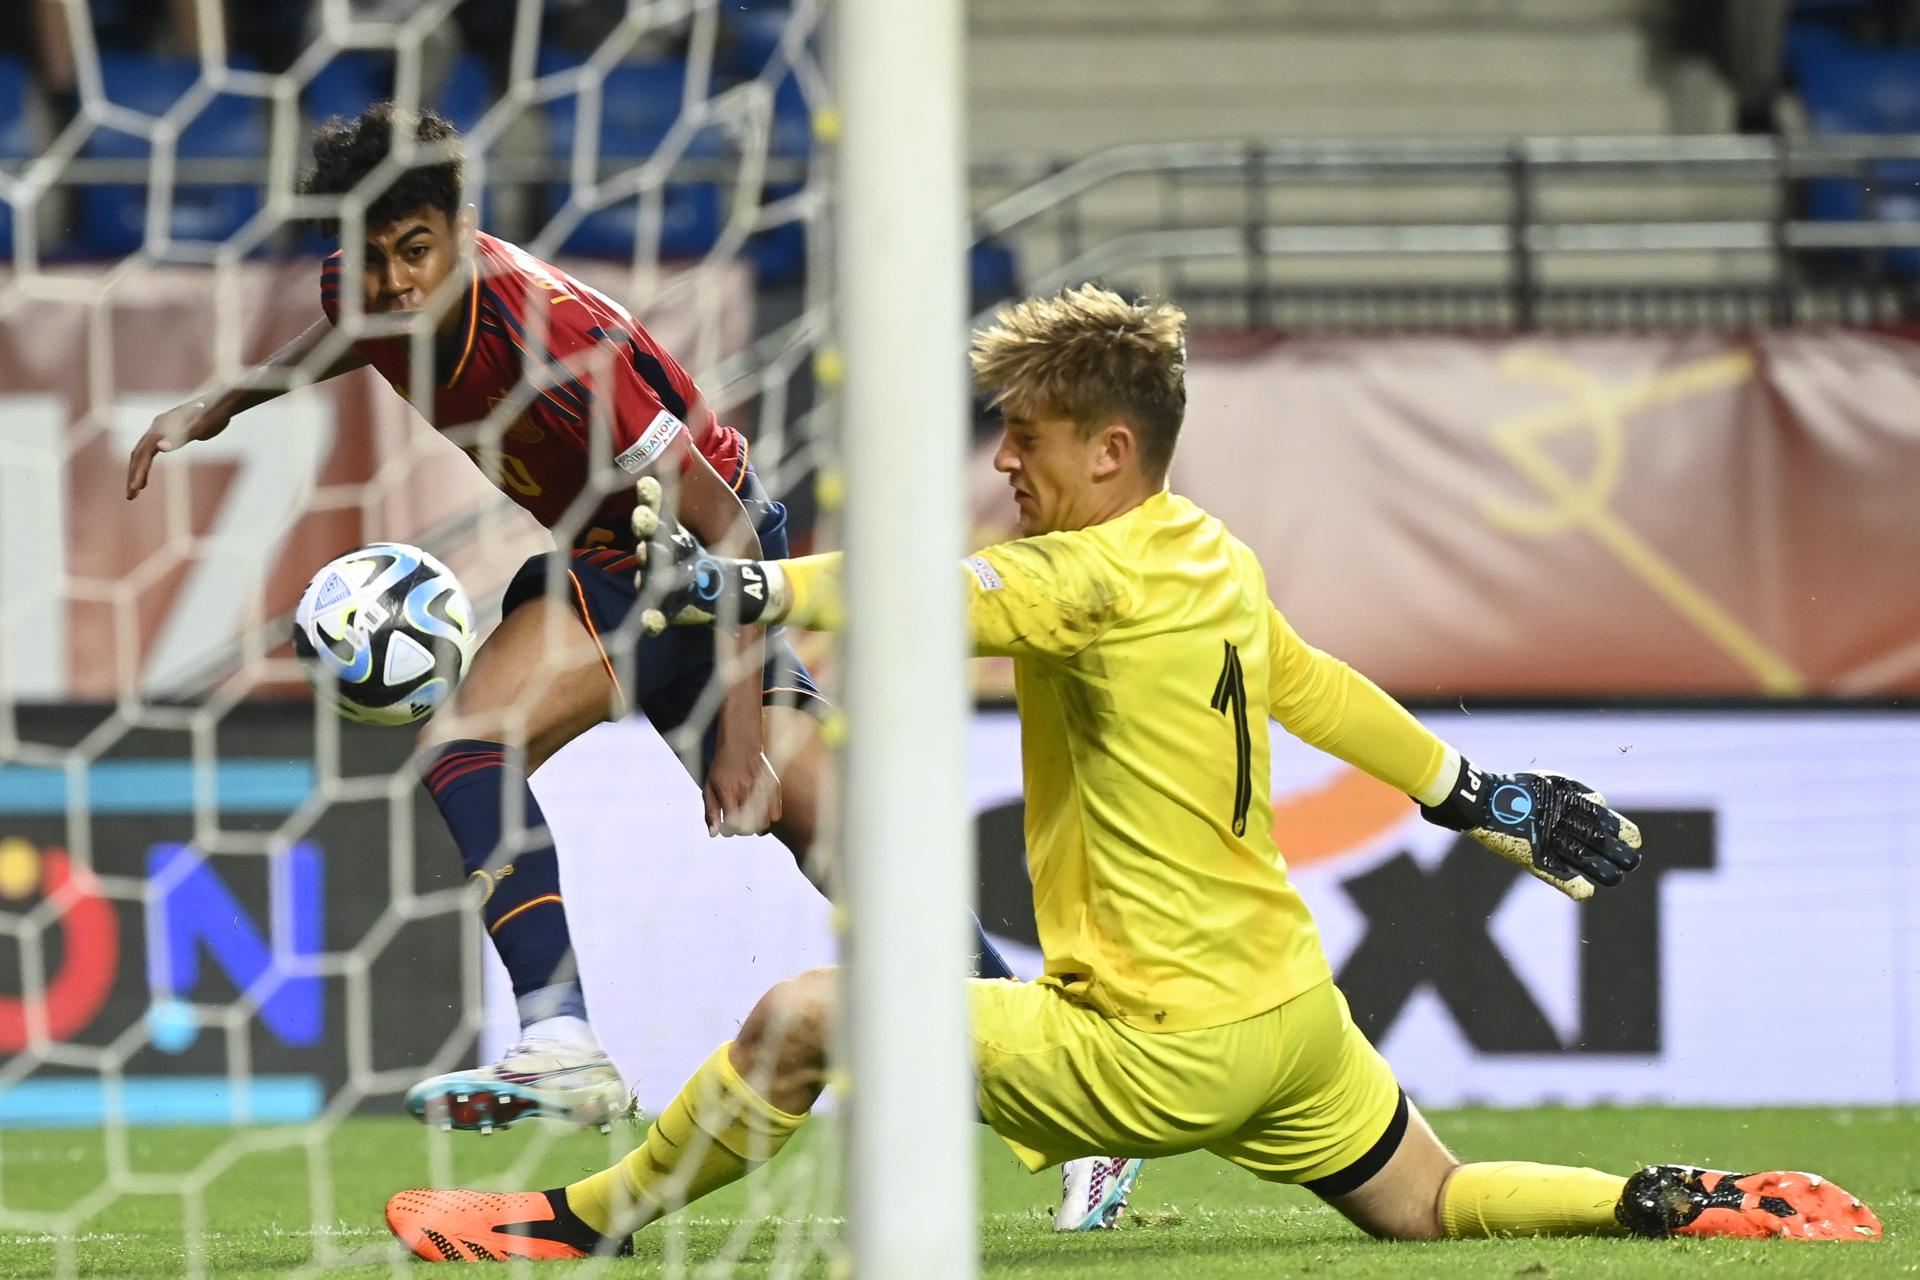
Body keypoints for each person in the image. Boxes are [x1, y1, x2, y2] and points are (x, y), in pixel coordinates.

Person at [380, 285, 1883, 1261]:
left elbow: (916, 589)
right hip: (1291, 1020)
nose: (1004, 471)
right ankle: (1676, 1201)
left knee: (802, 1021)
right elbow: (1312, 687)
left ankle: (565, 1226)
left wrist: (732, 594)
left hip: (1156, 1044)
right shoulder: (1207, 552)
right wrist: (1470, 796)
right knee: (1429, 1201)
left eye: (1025, 444)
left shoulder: (1079, 577)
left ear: (1111, 449)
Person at [122, 105, 1133, 1219]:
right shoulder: (357, 288)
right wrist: (225, 399)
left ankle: (569, 1034)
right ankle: (573, 1035)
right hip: (623, 563)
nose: (395, 282)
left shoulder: (554, 342)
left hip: (693, 557)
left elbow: (736, 524)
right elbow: (353, 332)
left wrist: (740, 738)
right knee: (849, 854)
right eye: (370, 254)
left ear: (460, 227)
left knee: (479, 746)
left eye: (415, 251)